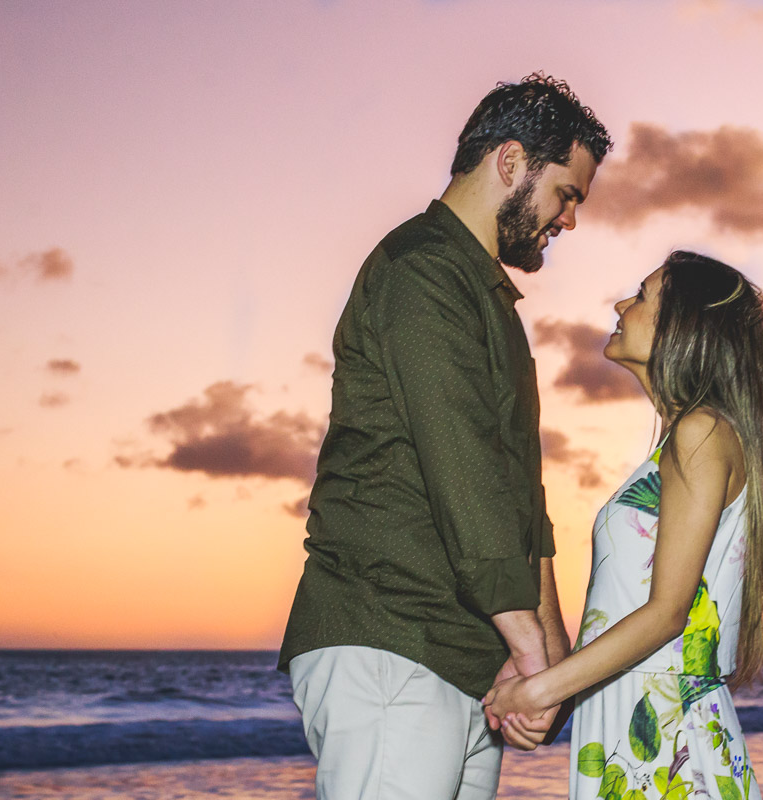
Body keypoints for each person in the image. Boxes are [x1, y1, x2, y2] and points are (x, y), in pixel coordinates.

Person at [278, 74, 612, 800]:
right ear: (513, 162)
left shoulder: (487, 300)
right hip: (389, 643)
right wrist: (531, 651)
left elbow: (519, 496)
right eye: (568, 194)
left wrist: (544, 652)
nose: (571, 221)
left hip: (459, 658)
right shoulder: (422, 270)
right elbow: (460, 470)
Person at [484, 251, 763, 800]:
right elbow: (624, 613)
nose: (622, 304)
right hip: (637, 719)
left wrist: (541, 689)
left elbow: (668, 614)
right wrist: (557, 699)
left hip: (667, 736)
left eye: (642, 296)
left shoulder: (702, 433)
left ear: (682, 326)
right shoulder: (687, 440)